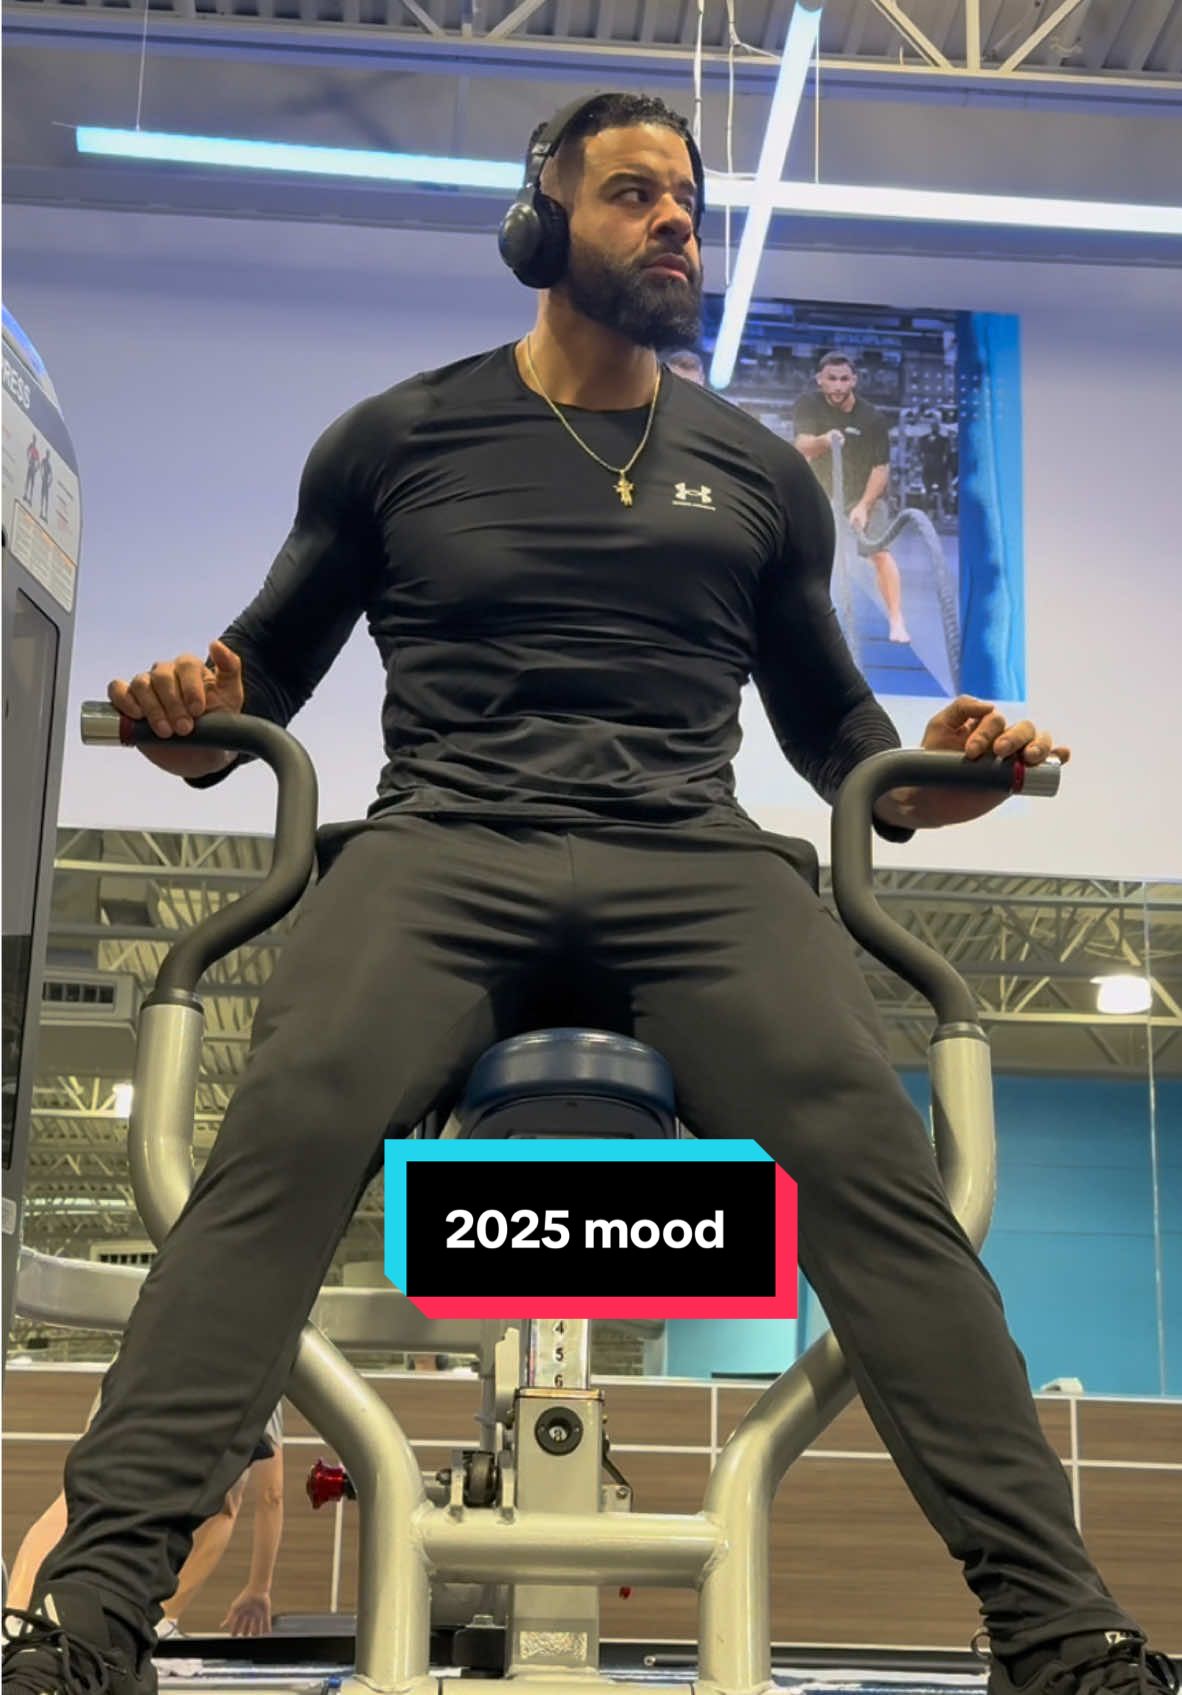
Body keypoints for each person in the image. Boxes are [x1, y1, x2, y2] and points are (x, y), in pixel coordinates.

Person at [4, 90, 1174, 1695]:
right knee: (283, 1133)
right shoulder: (393, 440)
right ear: (538, 230)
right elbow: (247, 693)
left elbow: (849, 751)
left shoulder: (759, 476)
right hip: (444, 847)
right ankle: (89, 1619)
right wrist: (179, 709)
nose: (674, 219)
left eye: (687, 198)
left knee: (869, 1159)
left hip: (690, 863)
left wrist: (954, 765)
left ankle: (1058, 1632)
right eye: (632, 194)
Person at [7, 1401, 284, 1640]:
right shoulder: (271, 1363)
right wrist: (259, 1589)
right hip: (234, 1374)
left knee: (87, 1485)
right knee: (224, 1499)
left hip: (140, 1365)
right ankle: (161, 1624)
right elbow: (271, 1495)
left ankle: (15, 1619)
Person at [793, 351, 912, 645]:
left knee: (879, 553)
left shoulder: (872, 418)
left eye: (844, 379)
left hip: (862, 491)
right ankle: (800, 615)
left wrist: (864, 505)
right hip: (821, 487)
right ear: (820, 380)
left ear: (854, 381)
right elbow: (802, 446)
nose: (838, 386)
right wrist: (825, 440)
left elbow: (881, 468)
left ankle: (897, 620)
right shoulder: (808, 404)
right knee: (801, 552)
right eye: (831, 379)